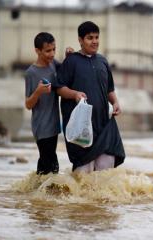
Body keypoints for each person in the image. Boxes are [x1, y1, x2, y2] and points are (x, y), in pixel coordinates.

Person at [55, 21, 125, 173]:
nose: (94, 41)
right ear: (80, 40)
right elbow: (59, 88)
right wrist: (74, 94)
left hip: (103, 126)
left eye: (96, 37)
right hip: (81, 128)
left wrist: (115, 102)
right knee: (83, 177)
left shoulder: (103, 61)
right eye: (89, 38)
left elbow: (109, 89)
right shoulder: (71, 61)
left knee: (105, 175)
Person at [24, 32, 62, 175]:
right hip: (41, 127)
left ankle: (34, 193)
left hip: (54, 125)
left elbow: (67, 68)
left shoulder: (53, 64)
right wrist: (38, 92)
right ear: (37, 51)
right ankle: (45, 194)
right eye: (47, 51)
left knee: (45, 165)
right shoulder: (31, 73)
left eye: (54, 49)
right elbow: (28, 104)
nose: (52, 54)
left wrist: (69, 55)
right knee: (52, 166)